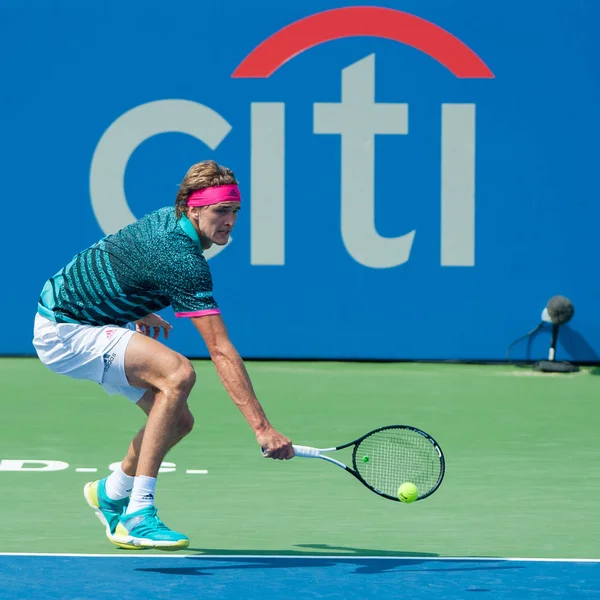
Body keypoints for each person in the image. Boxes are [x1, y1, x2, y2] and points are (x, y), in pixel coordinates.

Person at [32, 160, 294, 551]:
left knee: (177, 422)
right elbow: (220, 350)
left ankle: (110, 491)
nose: (230, 221)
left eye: (235, 211)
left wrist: (132, 306)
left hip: (81, 315)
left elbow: (117, 258)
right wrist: (262, 428)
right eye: (221, 210)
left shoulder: (165, 222)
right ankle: (138, 515)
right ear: (193, 208)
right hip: (65, 330)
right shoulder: (182, 259)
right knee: (177, 373)